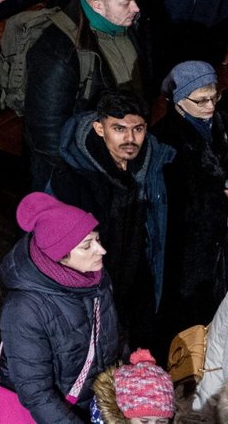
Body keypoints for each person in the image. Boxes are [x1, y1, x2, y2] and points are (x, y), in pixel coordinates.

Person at [49, 89, 173, 351]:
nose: (130, 139)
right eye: (119, 128)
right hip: (93, 287)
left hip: (136, 281)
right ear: (99, 128)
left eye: (138, 129)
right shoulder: (72, 176)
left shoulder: (154, 163)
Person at [0, 192, 120, 422]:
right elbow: (36, 394)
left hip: (89, 407)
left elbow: (110, 338)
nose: (101, 250)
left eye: (97, 240)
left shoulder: (97, 279)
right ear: (59, 256)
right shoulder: (23, 309)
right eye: (87, 245)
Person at [22, 0, 144, 189]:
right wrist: (80, 172)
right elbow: (47, 129)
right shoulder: (58, 51)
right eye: (126, 3)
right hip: (77, 165)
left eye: (134, 0)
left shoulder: (127, 23)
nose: (136, 9)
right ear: (98, 5)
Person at [152, 60, 228, 329]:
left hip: (217, 243)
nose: (210, 106)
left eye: (214, 97)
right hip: (187, 249)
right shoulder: (164, 140)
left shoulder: (218, 122)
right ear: (178, 101)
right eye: (201, 100)